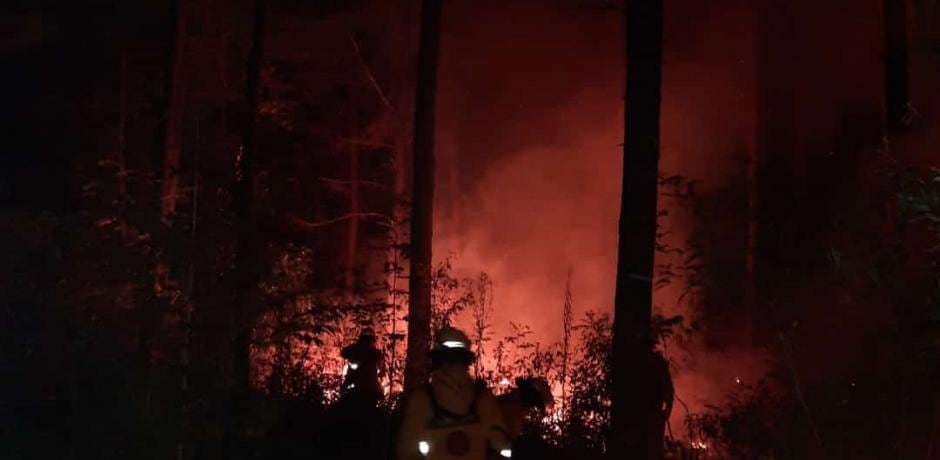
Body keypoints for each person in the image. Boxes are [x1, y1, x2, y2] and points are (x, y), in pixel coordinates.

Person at [397, 327, 511, 460]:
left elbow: (406, 450)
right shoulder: (482, 398)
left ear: (436, 360)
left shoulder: (421, 399)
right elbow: (502, 445)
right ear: (467, 360)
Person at [340, 328, 384, 405]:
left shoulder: (373, 352)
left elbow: (344, 353)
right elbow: (344, 353)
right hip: (365, 384)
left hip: (363, 384)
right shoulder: (374, 352)